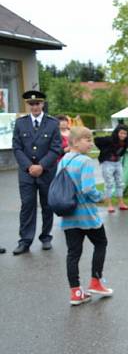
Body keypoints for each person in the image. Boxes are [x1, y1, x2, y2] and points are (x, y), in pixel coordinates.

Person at [57, 126, 114, 306]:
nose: (91, 143)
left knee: (73, 253)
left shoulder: (63, 160)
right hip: (87, 215)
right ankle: (96, 281)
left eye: (90, 139)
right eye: (87, 140)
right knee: (101, 242)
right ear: (74, 142)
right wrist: (101, 197)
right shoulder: (85, 161)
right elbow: (88, 189)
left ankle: (75, 292)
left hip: (68, 216)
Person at [11, 90, 62, 255]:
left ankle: (46, 237)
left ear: (42, 104)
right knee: (27, 205)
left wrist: (41, 166)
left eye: (37, 103)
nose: (34, 107)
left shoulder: (52, 123)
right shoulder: (20, 123)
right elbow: (17, 148)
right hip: (26, 174)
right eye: (31, 104)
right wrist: (29, 167)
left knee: (47, 205)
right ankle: (25, 241)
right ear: (28, 105)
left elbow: (56, 148)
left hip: (46, 171)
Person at [95, 124, 128, 213]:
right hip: (107, 163)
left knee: (120, 183)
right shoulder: (109, 139)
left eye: (125, 134)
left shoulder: (125, 142)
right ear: (117, 133)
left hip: (118, 163)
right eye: (121, 133)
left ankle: (121, 203)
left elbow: (122, 153)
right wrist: (103, 150)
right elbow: (96, 140)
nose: (123, 135)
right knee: (109, 184)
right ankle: (109, 205)